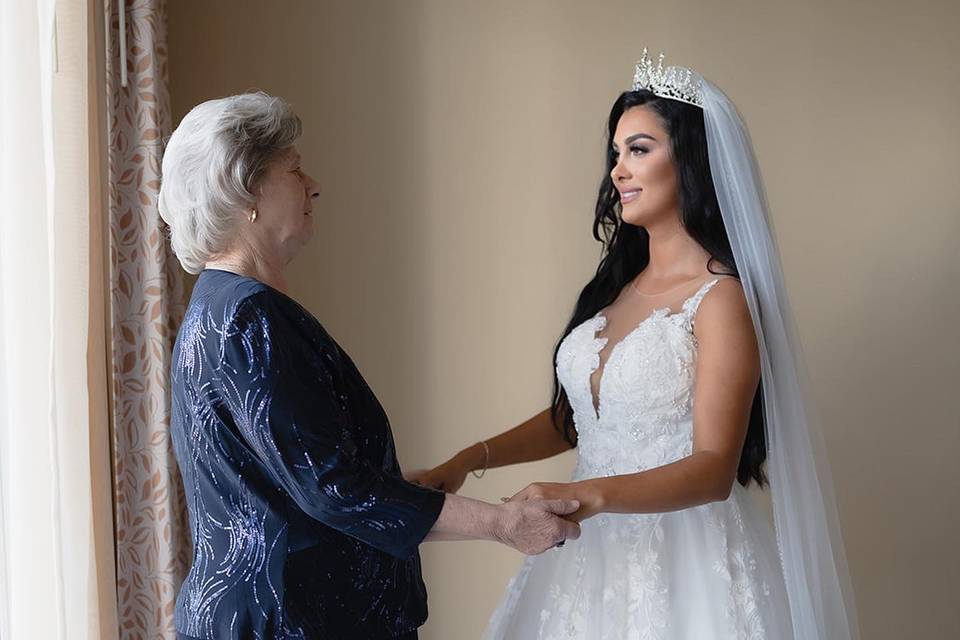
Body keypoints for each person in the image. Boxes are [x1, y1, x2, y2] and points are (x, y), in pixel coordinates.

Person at [410, 50, 860, 639]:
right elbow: (582, 423)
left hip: (687, 558)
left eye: (640, 149)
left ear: (692, 162)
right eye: (616, 153)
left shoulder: (719, 299)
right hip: (584, 555)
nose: (618, 170)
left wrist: (583, 494)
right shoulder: (616, 289)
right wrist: (466, 461)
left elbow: (712, 469)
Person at [158, 92, 581, 640]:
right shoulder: (249, 319)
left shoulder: (218, 308)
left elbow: (287, 479)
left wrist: (401, 488)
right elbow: (334, 488)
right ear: (247, 191)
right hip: (292, 623)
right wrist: (503, 524)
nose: (313, 185)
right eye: (294, 169)